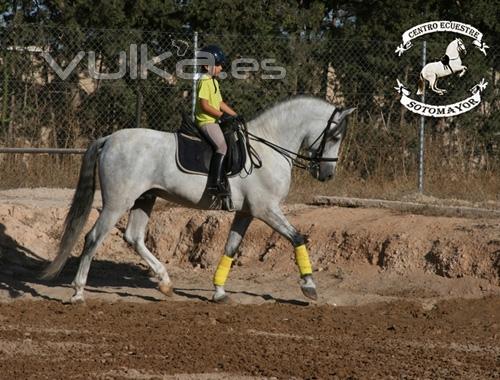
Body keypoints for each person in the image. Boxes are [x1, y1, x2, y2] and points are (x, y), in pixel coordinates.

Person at [194, 45, 239, 209]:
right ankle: (214, 183)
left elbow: (219, 103)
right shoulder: (204, 81)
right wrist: (222, 116)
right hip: (206, 121)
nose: (221, 68)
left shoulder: (213, 82)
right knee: (222, 146)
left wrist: (235, 115)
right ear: (207, 66)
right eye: (218, 65)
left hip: (214, 121)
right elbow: (205, 105)